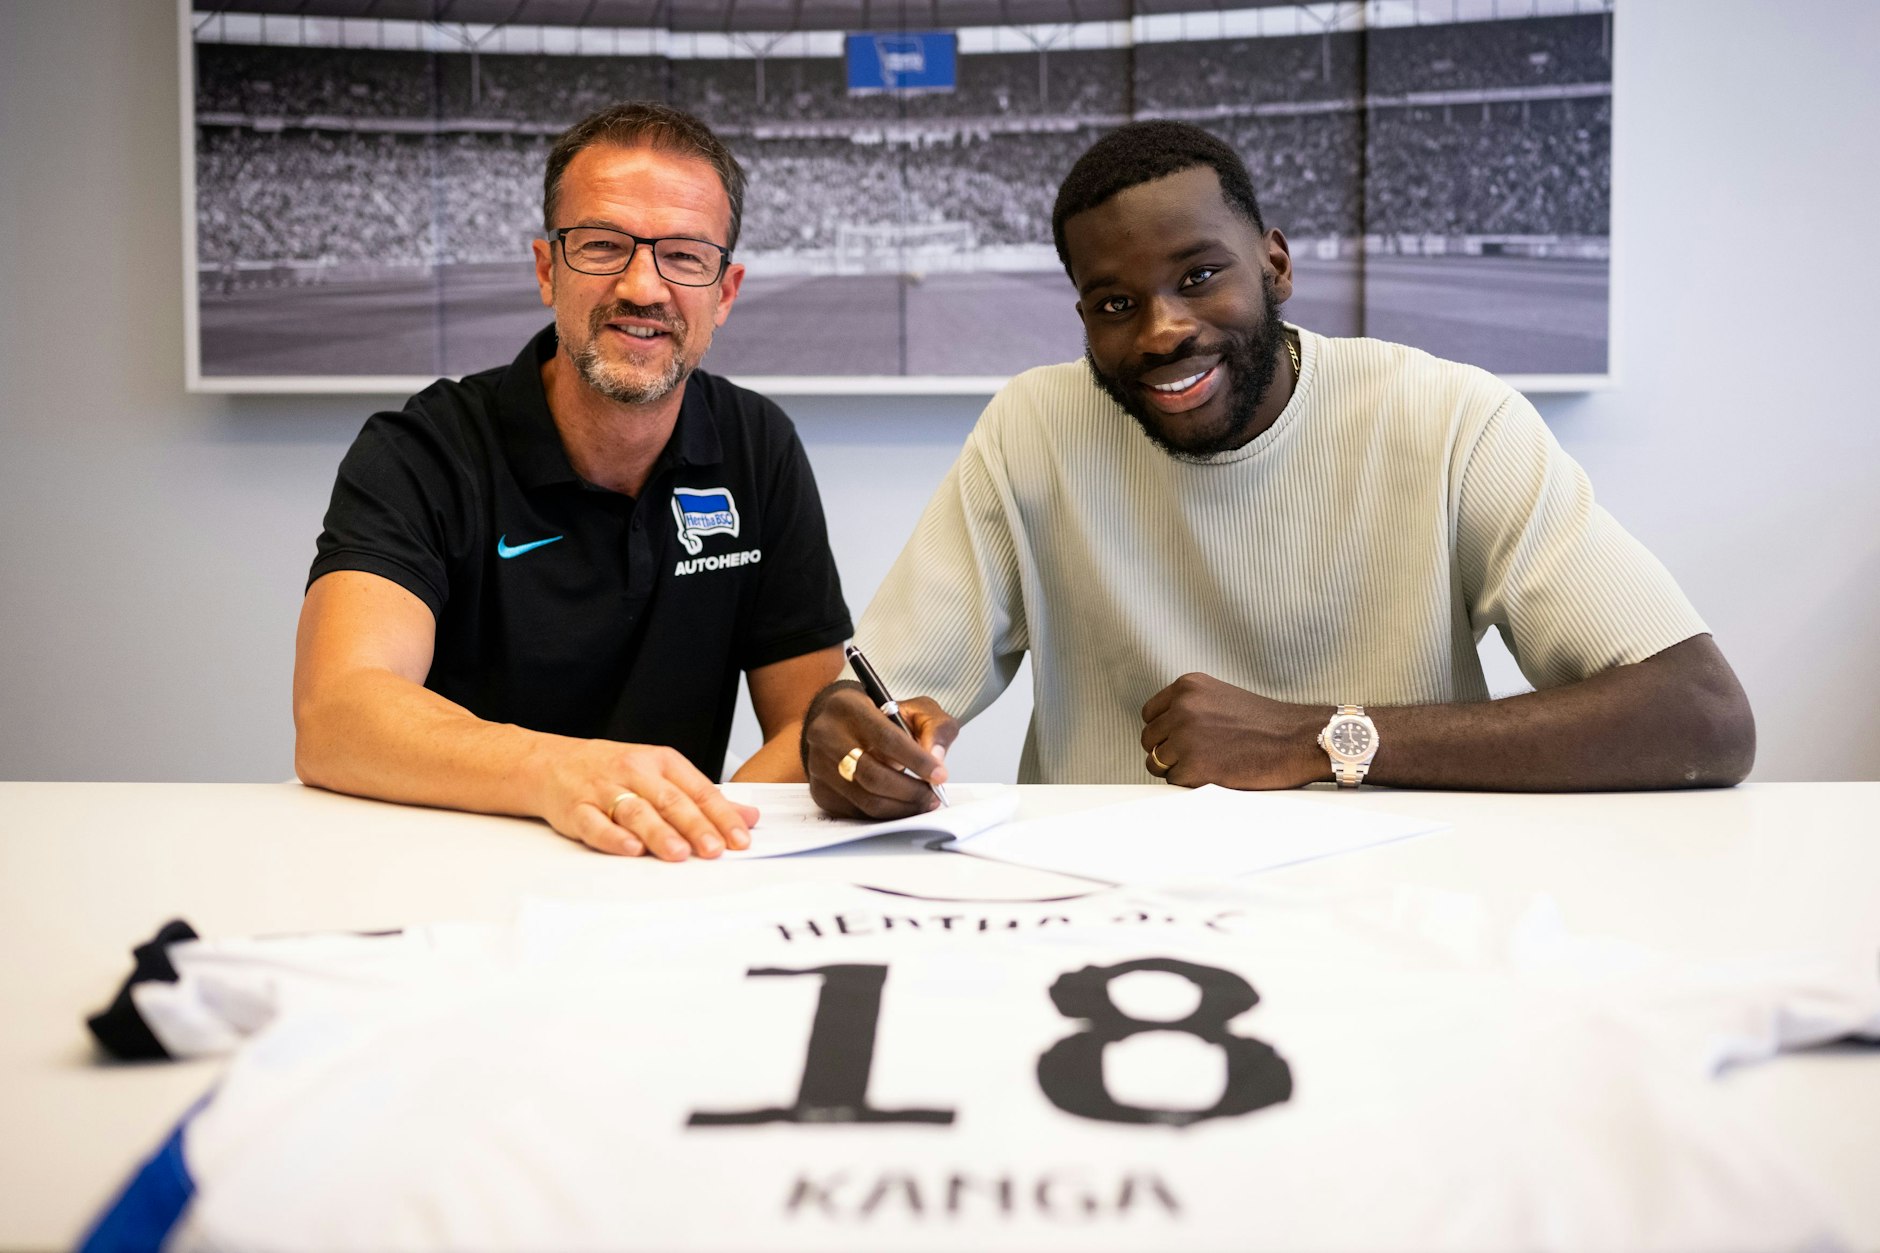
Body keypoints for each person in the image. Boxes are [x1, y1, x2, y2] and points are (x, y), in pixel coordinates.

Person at [803, 120, 1753, 817]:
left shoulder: (1452, 417)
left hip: (1411, 899)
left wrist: (1317, 738)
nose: (1163, 328)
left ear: (1277, 264)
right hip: (1107, 902)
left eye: (1199, 275)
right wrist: (844, 736)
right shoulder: (1032, 428)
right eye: (1115, 301)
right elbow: (877, 696)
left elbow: (1702, 716)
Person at [294, 103, 852, 860]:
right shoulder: (423, 449)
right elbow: (337, 712)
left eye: (685, 256)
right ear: (546, 269)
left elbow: (806, 723)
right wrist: (567, 770)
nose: (643, 286)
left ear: (725, 293)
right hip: (447, 876)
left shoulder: (760, 446)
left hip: (662, 878)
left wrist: (695, 828)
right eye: (601, 245)